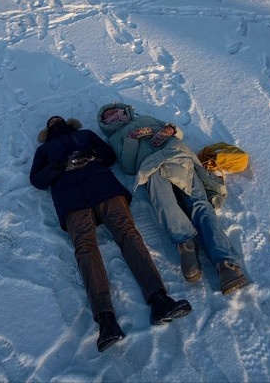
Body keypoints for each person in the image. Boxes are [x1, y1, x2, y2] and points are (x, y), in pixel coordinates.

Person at [30, 115, 192, 353]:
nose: (55, 121)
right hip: (71, 198)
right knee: (85, 247)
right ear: (47, 130)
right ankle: (106, 320)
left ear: (69, 123)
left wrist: (92, 155)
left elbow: (108, 156)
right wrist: (57, 166)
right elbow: (36, 179)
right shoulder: (44, 150)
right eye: (51, 121)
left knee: (128, 233)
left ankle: (159, 299)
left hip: (103, 187)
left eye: (58, 119)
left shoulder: (85, 136)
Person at [98, 103, 250, 295]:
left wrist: (170, 130)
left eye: (113, 110)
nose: (112, 114)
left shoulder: (146, 120)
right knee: (164, 203)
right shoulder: (115, 138)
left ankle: (227, 264)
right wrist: (131, 139)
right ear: (105, 124)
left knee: (199, 205)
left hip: (178, 156)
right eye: (107, 116)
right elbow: (128, 166)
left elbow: (178, 134)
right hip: (151, 167)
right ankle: (185, 246)